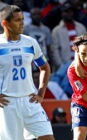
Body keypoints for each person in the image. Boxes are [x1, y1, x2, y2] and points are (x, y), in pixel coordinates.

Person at [0, 5, 55, 140]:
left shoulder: (30, 42)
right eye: (17, 20)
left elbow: (45, 68)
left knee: (48, 138)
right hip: (8, 103)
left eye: (23, 19)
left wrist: (41, 93)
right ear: (5, 23)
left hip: (30, 101)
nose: (22, 23)